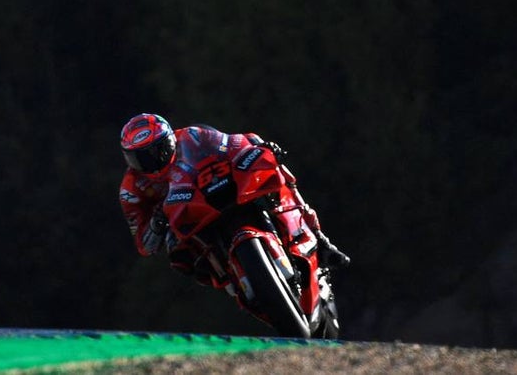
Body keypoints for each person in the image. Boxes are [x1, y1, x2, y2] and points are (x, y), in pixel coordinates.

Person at [118, 113, 349, 285]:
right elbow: (144, 245)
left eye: (155, 152)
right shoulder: (131, 190)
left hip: (212, 191)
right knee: (179, 256)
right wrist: (157, 225)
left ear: (169, 141)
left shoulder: (192, 136)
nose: (149, 163)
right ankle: (227, 277)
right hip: (184, 218)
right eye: (138, 158)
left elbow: (230, 143)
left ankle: (320, 238)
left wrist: (259, 147)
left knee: (271, 164)